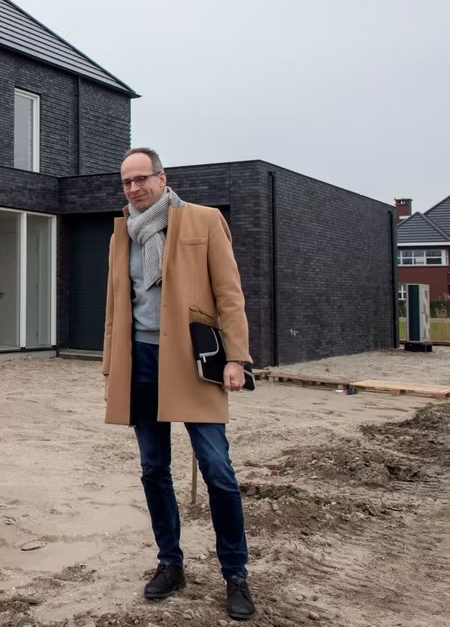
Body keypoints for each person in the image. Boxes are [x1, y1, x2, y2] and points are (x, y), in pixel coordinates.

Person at [102, 148, 257, 620]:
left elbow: (229, 292)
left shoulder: (204, 221)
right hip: (140, 363)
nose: (134, 188)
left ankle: (236, 575)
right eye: (127, 182)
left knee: (218, 471)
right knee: (153, 468)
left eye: (142, 179)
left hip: (193, 362)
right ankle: (171, 564)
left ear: (162, 178)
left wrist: (238, 358)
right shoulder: (121, 234)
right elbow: (114, 304)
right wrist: (111, 363)